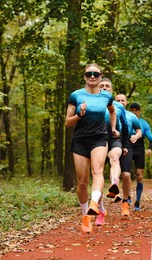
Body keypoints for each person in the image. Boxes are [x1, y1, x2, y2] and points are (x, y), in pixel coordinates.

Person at [65, 63, 119, 233]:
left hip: (99, 138)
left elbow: (112, 111)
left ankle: (95, 203)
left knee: (98, 171)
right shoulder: (76, 96)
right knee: (81, 182)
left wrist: (112, 128)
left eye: (96, 74)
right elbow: (67, 122)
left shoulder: (106, 97)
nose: (93, 76)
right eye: (89, 74)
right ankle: (85, 215)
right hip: (80, 140)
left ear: (101, 76)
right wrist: (79, 115)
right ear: (85, 77)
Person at [98, 78, 131, 220]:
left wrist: (124, 145)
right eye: (102, 86)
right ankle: (100, 209)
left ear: (112, 89)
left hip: (114, 138)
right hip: (98, 140)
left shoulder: (118, 106)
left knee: (114, 157)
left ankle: (114, 184)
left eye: (107, 86)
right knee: (97, 173)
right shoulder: (93, 103)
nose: (105, 88)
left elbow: (125, 126)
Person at [114, 94, 142, 215]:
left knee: (126, 174)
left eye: (122, 100)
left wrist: (136, 136)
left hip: (126, 144)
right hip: (111, 143)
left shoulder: (131, 116)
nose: (120, 102)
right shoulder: (109, 113)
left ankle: (125, 202)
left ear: (126, 102)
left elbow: (139, 130)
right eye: (118, 100)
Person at [129, 102, 152, 211]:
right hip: (128, 148)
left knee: (139, 175)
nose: (134, 112)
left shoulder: (144, 123)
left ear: (139, 111)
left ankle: (137, 201)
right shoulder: (126, 121)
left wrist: (150, 149)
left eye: (136, 110)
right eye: (132, 110)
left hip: (139, 150)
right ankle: (127, 197)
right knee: (126, 174)